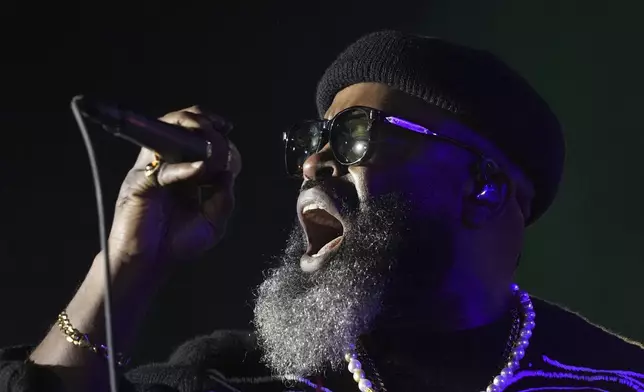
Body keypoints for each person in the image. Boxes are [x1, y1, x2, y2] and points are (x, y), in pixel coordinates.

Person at [1, 30, 643, 392]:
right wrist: (126, 266)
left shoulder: (616, 382)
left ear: (484, 188)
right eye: (312, 142)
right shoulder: (237, 379)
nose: (313, 164)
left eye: (358, 136)